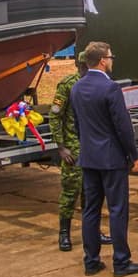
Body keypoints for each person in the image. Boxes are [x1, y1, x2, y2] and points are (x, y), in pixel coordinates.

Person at [70, 41, 138, 277]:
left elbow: (78, 124)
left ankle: (91, 261)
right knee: (117, 209)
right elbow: (123, 127)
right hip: (111, 159)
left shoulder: (77, 88)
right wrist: (133, 154)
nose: (112, 61)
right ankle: (121, 262)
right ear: (102, 61)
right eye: (111, 57)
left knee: (90, 210)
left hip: (89, 157)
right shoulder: (110, 88)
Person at [50, 50, 112, 252]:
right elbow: (55, 116)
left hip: (91, 147)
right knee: (70, 192)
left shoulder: (95, 84)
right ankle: (64, 234)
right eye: (83, 65)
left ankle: (93, 232)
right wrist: (61, 147)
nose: (85, 68)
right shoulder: (68, 85)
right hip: (73, 150)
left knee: (92, 194)